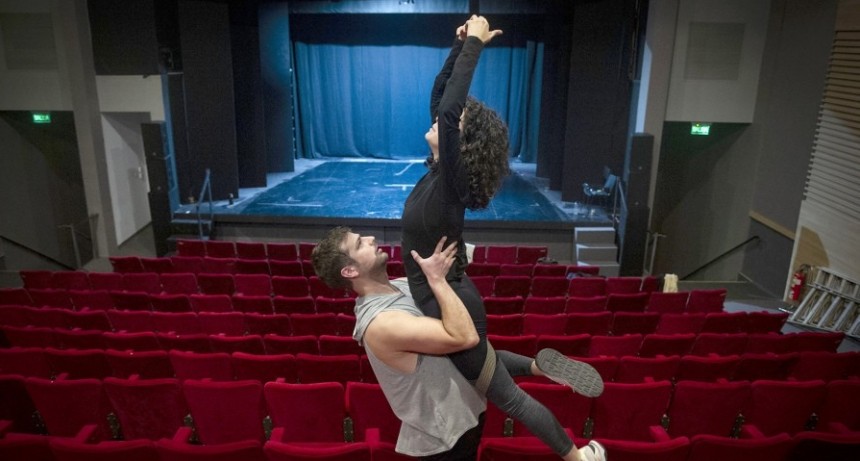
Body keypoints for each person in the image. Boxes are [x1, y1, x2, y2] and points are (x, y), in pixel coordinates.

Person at [400, 16, 606, 461]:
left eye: (450, 122)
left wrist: (475, 45)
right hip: (448, 297)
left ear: (460, 140)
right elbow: (443, 99)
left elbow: (451, 108)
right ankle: (537, 365)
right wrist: (459, 48)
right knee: (487, 362)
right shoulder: (438, 171)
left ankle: (578, 457)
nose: (438, 119)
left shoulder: (450, 181)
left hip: (450, 301)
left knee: (506, 397)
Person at [312, 228, 606, 461]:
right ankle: (578, 457)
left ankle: (538, 368)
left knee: (479, 357)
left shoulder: (399, 285)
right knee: (496, 378)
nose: (371, 238)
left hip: (465, 405)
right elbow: (464, 337)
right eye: (359, 244)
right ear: (349, 271)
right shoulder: (380, 324)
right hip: (445, 437)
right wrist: (438, 281)